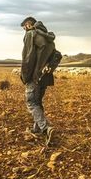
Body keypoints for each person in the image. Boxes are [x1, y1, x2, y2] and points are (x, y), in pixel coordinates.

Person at [19, 15, 58, 144]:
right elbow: (57, 55)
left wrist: (25, 76)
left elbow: (28, 58)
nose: (24, 29)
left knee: (31, 102)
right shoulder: (49, 38)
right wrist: (49, 68)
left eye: (24, 26)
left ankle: (46, 128)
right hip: (44, 77)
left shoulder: (31, 34)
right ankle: (36, 128)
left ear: (29, 24)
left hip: (34, 76)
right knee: (38, 102)